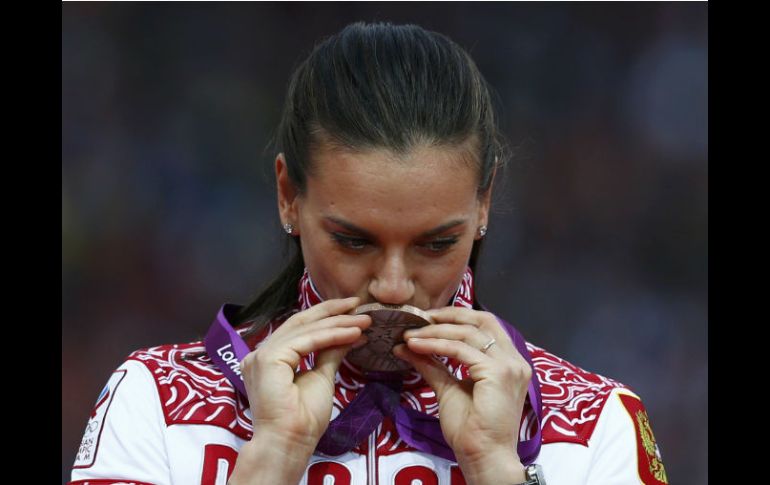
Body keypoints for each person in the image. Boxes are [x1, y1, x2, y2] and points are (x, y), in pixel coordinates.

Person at [68, 22, 668, 485]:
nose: (393, 286)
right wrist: (269, 461)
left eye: (437, 244)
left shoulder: (594, 424)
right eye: (353, 241)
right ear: (287, 197)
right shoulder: (155, 400)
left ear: (484, 204)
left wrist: (497, 468)